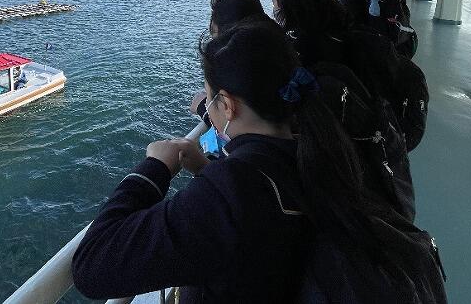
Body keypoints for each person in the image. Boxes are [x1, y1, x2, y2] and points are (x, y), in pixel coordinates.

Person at [72, 24, 407, 302]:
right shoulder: (320, 149)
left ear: (228, 105)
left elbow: (93, 266)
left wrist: (153, 170)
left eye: (210, 98)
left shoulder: (234, 190)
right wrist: (207, 168)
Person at [272, 0, 349, 66]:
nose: (274, 9)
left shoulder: (296, 51)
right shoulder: (343, 34)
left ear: (289, 7)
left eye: (275, 3)